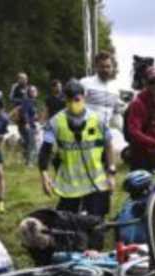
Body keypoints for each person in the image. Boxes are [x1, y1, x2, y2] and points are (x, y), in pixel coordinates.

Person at [38, 79, 116, 217]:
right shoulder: (55, 122)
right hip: (70, 186)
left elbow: (109, 144)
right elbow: (45, 150)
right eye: (69, 100)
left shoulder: (97, 119)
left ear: (83, 97)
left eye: (77, 99)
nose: (73, 103)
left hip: (95, 183)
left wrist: (111, 172)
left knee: (97, 225)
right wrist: (44, 174)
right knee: (66, 227)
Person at [126, 66, 155, 173]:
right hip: (141, 152)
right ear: (145, 83)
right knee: (138, 185)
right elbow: (133, 131)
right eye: (152, 82)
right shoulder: (137, 103)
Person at [17, 209, 105, 266]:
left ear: (46, 228)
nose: (41, 247)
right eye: (35, 246)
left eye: (42, 243)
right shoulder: (27, 233)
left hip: (82, 254)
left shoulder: (66, 219)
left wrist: (94, 248)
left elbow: (98, 222)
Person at [82, 51, 124, 132]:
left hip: (105, 135)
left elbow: (116, 115)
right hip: (86, 133)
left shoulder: (115, 89)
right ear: (96, 67)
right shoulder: (85, 83)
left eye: (108, 66)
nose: (105, 70)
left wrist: (123, 131)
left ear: (112, 67)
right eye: (102, 66)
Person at [15, 85, 40, 165]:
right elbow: (24, 113)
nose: (35, 92)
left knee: (32, 143)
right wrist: (26, 123)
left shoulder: (33, 101)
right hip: (25, 125)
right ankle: (28, 161)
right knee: (29, 143)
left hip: (32, 125)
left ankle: (31, 160)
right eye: (33, 91)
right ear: (29, 92)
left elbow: (32, 114)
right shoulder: (26, 101)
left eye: (35, 91)